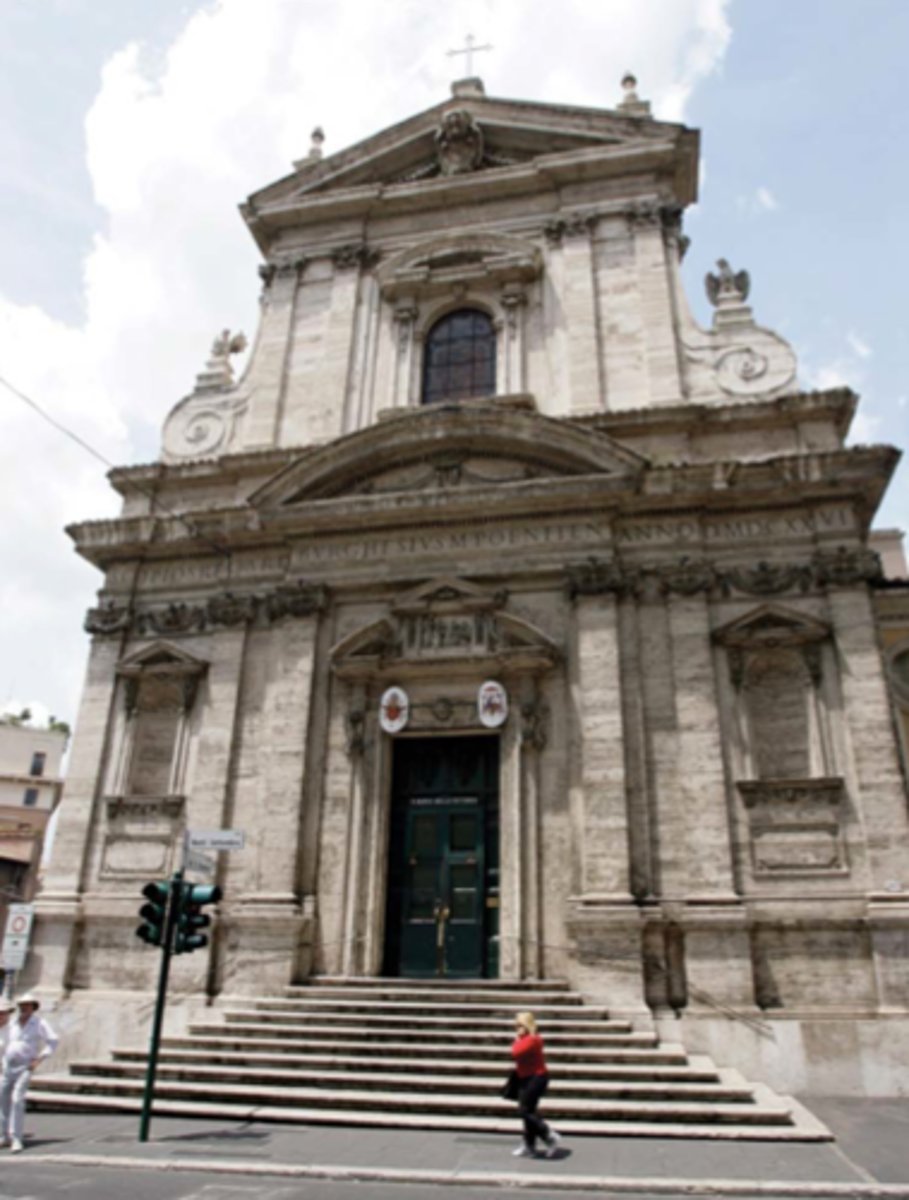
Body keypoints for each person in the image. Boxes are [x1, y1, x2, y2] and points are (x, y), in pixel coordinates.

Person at [0, 993, 59, 1153]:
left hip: (25, 1066)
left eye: (27, 1005)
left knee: (17, 1099)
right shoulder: (12, 1023)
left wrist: (39, 1060)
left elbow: (53, 1041)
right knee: (2, 1100)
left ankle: (16, 1137)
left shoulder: (39, 1023)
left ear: (33, 1007)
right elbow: (5, 1041)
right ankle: (3, 1135)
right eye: (21, 1005)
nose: (24, 1008)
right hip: (7, 1067)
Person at [510, 1010, 561, 1159]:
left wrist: (517, 1039)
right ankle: (529, 1145)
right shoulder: (527, 1038)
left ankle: (548, 1135)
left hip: (536, 1078)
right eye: (516, 1024)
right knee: (528, 1111)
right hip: (526, 1078)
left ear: (526, 1024)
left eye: (519, 1024)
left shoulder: (532, 1039)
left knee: (525, 1111)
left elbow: (515, 1053)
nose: (517, 1027)